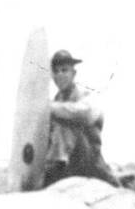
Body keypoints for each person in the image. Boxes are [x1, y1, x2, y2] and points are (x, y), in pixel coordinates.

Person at [42, 49, 119, 187]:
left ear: (73, 73)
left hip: (89, 163)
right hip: (64, 167)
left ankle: (58, 166)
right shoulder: (57, 100)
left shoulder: (87, 96)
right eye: (56, 71)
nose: (60, 75)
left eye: (64, 70)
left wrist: (49, 107)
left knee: (67, 121)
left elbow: (86, 114)